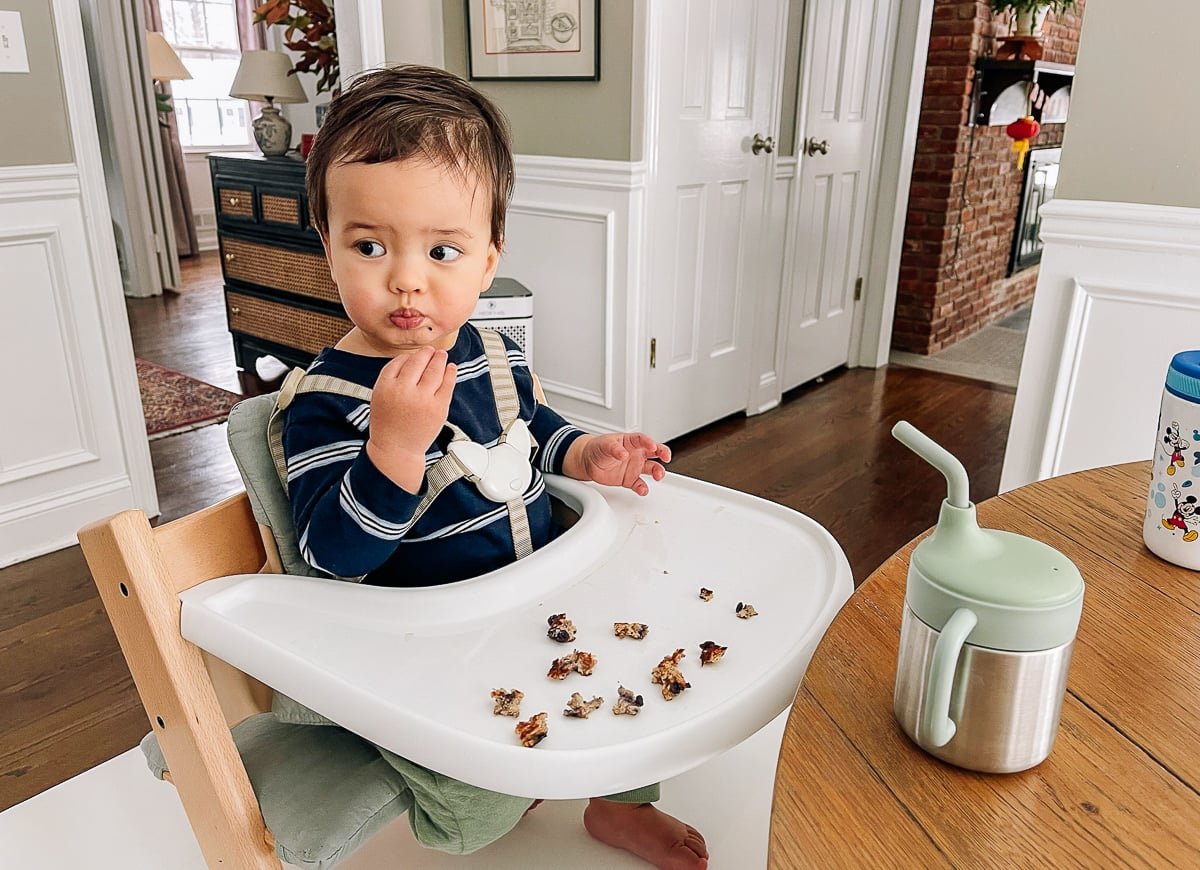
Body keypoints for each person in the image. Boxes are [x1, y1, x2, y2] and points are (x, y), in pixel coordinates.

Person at [280, 64, 708, 870]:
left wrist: (582, 451)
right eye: (369, 246)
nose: (407, 278)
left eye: (443, 250)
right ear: (327, 248)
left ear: (487, 260)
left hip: (541, 594)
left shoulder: (490, 350)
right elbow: (332, 556)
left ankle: (619, 804)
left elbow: (529, 430)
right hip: (435, 645)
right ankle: (481, 780)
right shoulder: (325, 402)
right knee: (477, 811)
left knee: (632, 673)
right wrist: (393, 449)